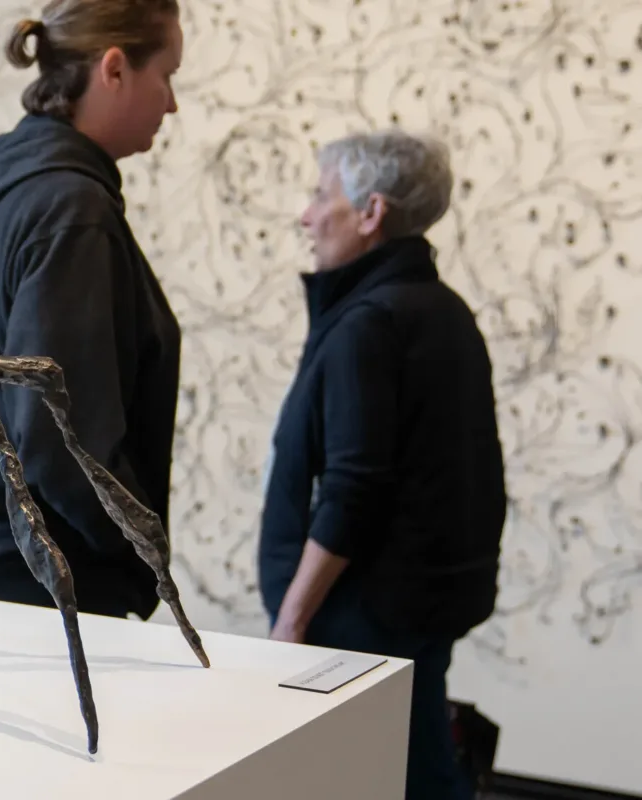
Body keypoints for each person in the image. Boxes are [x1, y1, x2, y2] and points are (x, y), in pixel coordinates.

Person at [261, 130, 505, 800]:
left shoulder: (370, 322)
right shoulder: (444, 311)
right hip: (419, 607)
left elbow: (353, 488)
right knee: (414, 763)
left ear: (371, 214)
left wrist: (292, 618)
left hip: (364, 616)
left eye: (321, 195)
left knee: (384, 777)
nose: (306, 215)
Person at [0, 1, 185, 619]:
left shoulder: (9, 189)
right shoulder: (69, 207)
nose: (172, 103)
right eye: (168, 76)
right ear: (115, 69)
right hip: (42, 577)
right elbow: (57, 434)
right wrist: (140, 556)